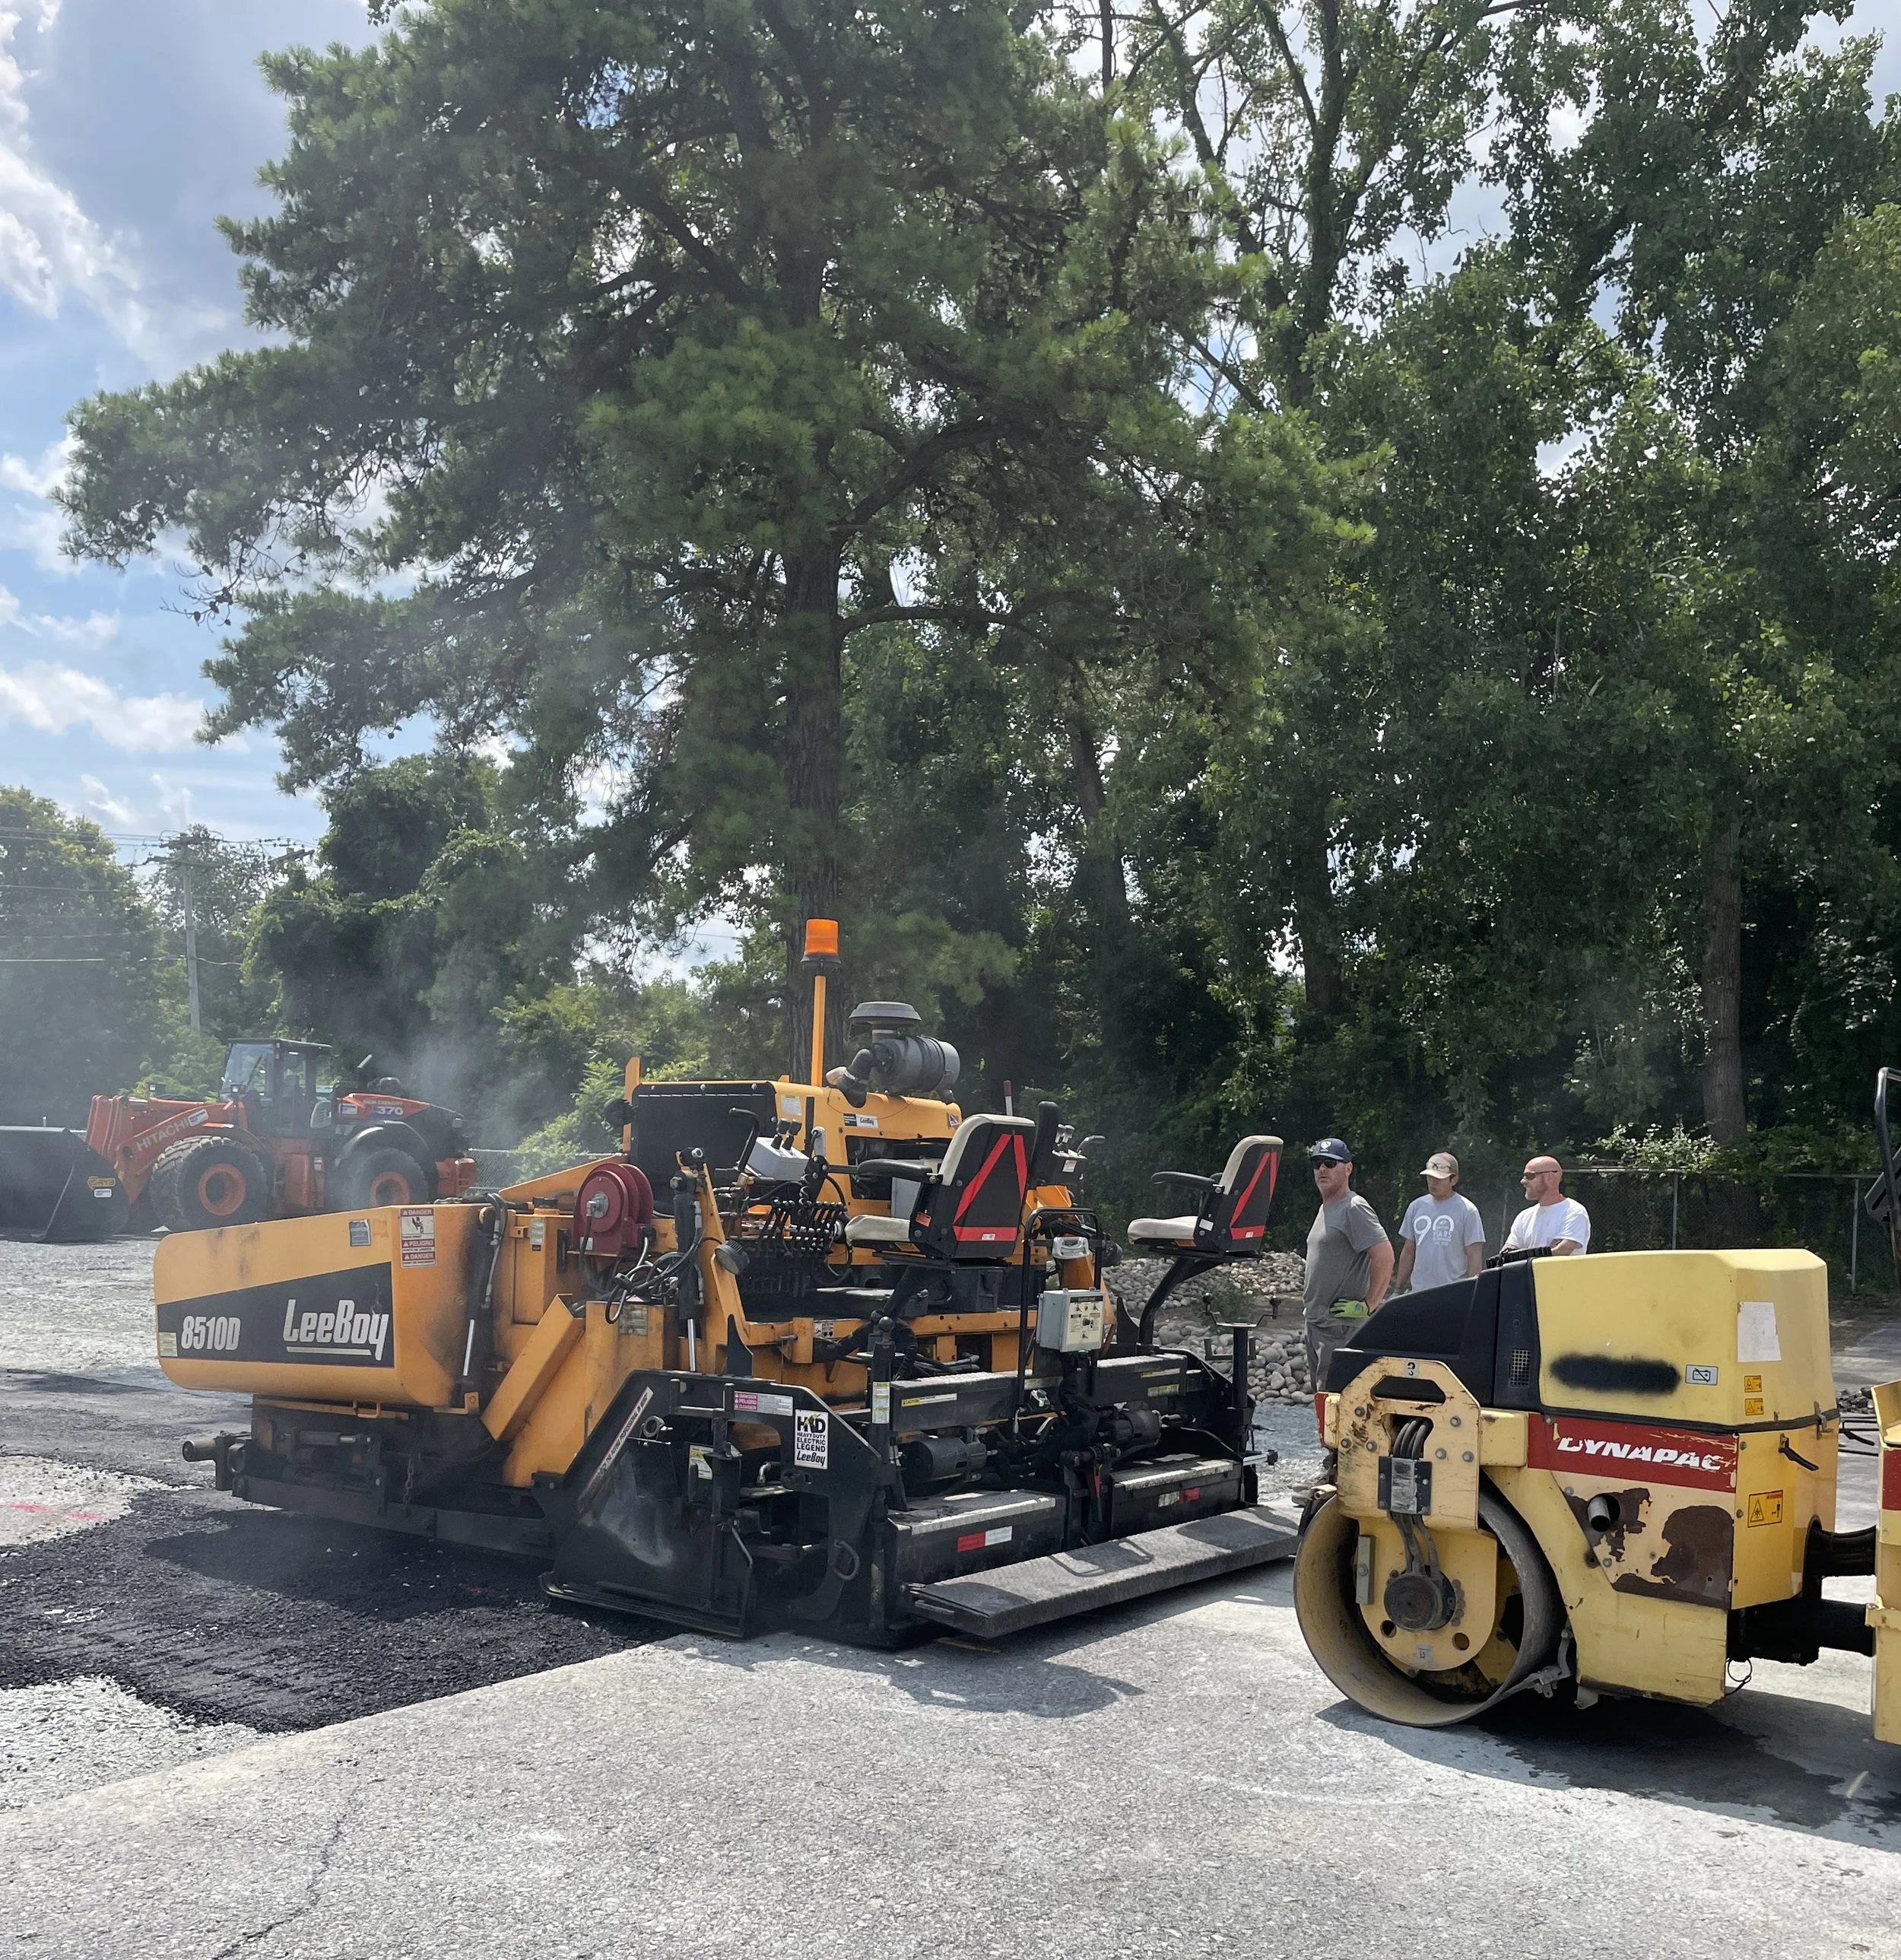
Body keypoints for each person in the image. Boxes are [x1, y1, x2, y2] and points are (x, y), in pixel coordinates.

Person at [1301, 1138, 1393, 1390]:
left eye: (1330, 1163)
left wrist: (1369, 1305)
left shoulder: (1354, 1207)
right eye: (1317, 1163)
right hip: (1317, 1325)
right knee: (1324, 1403)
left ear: (1348, 1169)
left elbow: (1384, 1256)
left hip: (1338, 1328)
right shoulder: (1326, 1208)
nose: (1322, 1169)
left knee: (1337, 1402)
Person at [1394, 1151, 1486, 1293]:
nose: (1433, 1182)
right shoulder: (1416, 1207)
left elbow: (1474, 1255)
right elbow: (1408, 1250)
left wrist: (1473, 1292)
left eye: (1439, 1178)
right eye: (1430, 1177)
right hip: (1418, 1293)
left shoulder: (1467, 1211)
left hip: (1453, 1293)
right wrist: (1398, 1289)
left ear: (1454, 1179)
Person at [1504, 1155, 1591, 1255]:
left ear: (1549, 1177)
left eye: (1529, 1176)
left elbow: (1562, 1252)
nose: (1523, 1181)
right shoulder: (1523, 1216)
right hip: (1528, 1271)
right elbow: (1507, 1252)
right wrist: (1547, 1251)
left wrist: (1520, 1255)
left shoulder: (1574, 1212)